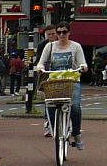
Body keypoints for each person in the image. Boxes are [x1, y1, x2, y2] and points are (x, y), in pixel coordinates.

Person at [36, 21, 89, 150]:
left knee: (75, 106)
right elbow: (41, 62)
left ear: (69, 33)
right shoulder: (50, 47)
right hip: (55, 80)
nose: (61, 35)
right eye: (59, 32)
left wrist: (83, 67)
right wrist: (40, 67)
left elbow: (82, 63)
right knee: (50, 104)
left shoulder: (76, 46)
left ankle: (76, 134)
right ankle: (56, 131)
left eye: (64, 32)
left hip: (71, 80)